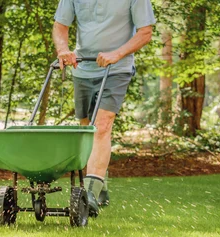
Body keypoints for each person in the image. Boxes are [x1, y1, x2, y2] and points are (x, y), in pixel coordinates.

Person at [52, 0, 155, 216]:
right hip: (82, 68)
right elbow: (61, 26)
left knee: (101, 125)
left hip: (117, 68)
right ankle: (101, 186)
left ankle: (89, 194)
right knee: (86, 130)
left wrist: (116, 54)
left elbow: (145, 32)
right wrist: (63, 50)